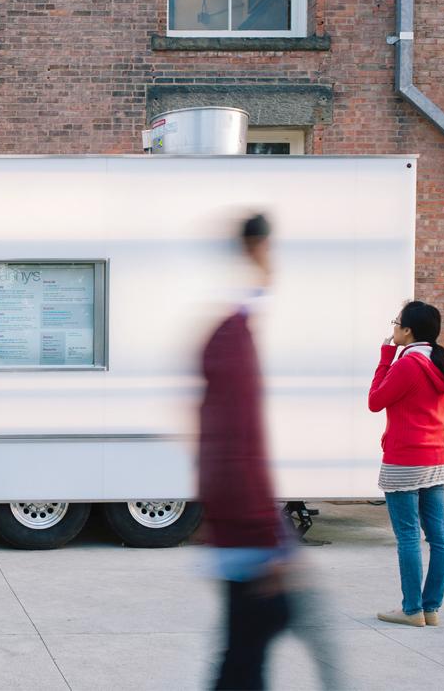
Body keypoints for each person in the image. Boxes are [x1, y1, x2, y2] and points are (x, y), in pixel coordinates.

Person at [198, 214, 291, 690]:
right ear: (258, 249)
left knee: (241, 655)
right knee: (244, 661)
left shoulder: (233, 331)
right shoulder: (235, 337)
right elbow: (238, 442)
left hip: (240, 526)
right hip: (248, 533)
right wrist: (265, 536)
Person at [369, 301, 444, 627]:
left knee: (409, 537)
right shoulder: (440, 363)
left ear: (407, 330)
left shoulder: (408, 365)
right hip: (436, 458)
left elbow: (375, 401)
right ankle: (430, 608)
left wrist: (385, 357)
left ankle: (412, 610)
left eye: (396, 323)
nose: (393, 328)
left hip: (405, 460)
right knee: (439, 538)